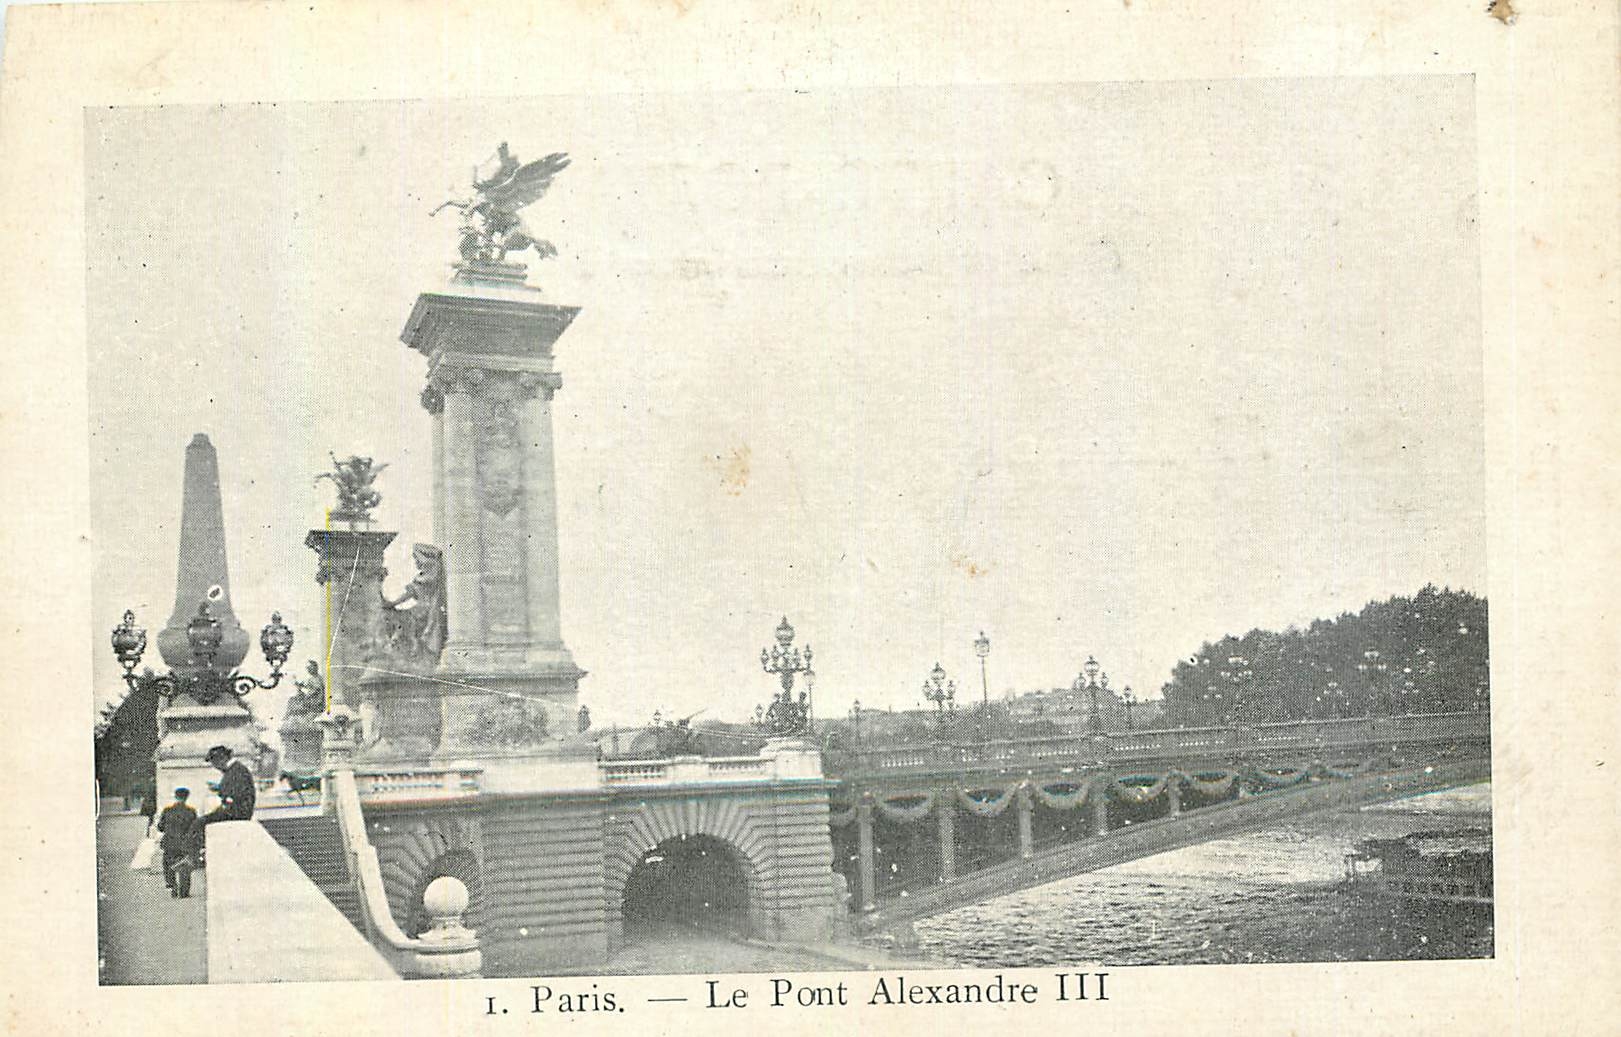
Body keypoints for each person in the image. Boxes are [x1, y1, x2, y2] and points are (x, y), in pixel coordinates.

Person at [197, 745, 256, 825]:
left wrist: (220, 789)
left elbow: (235, 794)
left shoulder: (237, 770)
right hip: (236, 810)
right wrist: (219, 788)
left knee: (200, 822)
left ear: (221, 759)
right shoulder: (235, 769)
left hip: (237, 812)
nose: (215, 767)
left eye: (214, 763)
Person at [156, 787, 199, 898]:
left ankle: (172, 885)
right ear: (186, 797)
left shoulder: (167, 810)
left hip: (169, 843)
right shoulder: (191, 811)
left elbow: (160, 827)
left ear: (175, 796)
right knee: (185, 865)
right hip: (185, 843)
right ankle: (184, 891)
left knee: (168, 863)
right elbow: (195, 828)